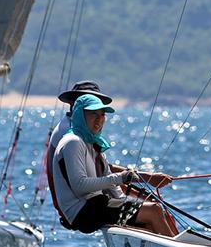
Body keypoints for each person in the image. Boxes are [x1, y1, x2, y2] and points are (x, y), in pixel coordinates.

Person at [52, 94, 178, 236]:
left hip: (97, 205)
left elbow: (110, 181)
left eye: (102, 115)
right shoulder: (72, 142)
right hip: (83, 213)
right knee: (153, 211)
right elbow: (79, 186)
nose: (99, 120)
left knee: (152, 212)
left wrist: (125, 200)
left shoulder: (92, 143)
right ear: (80, 115)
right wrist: (122, 177)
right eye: (93, 114)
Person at [46, 80, 113, 226]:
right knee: (148, 209)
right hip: (77, 204)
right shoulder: (70, 133)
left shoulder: (83, 132)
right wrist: (122, 177)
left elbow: (98, 166)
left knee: (146, 200)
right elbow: (79, 180)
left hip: (86, 195)